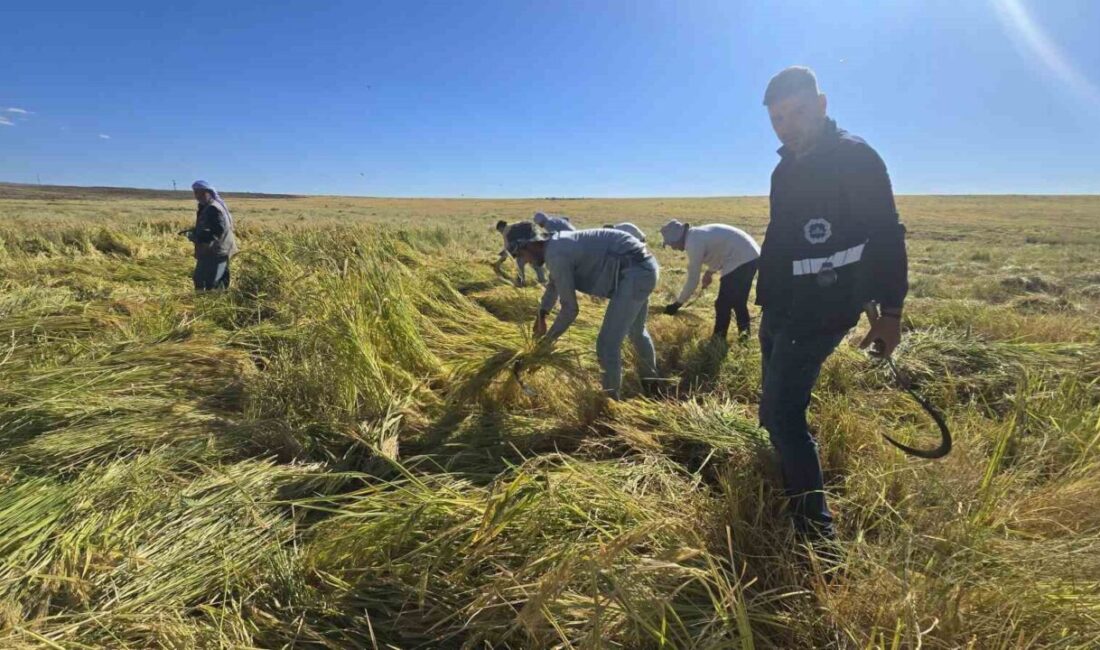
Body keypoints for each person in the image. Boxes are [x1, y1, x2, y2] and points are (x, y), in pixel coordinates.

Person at [756, 66, 908, 541]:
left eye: (797, 111)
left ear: (822, 105)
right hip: (780, 305)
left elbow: (885, 235)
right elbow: (783, 239)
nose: (787, 124)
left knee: (783, 413)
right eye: (778, 117)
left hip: (823, 310)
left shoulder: (855, 159)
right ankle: (787, 469)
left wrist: (892, 313)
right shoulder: (784, 169)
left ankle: (816, 541)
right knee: (773, 407)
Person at [507, 226, 659, 399]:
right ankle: (652, 383)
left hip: (635, 274)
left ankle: (610, 403)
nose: (525, 261)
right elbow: (555, 282)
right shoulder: (556, 244)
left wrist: (546, 344)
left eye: (521, 255)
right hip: (645, 267)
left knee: (607, 344)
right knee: (637, 332)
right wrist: (542, 314)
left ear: (530, 245)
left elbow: (570, 309)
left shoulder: (556, 255)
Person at [659, 220, 760, 340]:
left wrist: (677, 304)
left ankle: (718, 339)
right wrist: (710, 272)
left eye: (671, 244)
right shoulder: (697, 234)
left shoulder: (693, 244)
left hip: (741, 259)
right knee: (738, 302)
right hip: (752, 255)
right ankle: (744, 337)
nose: (673, 248)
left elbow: (693, 280)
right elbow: (720, 250)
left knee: (722, 304)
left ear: (677, 238)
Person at [187, 180, 239, 290]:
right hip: (219, 249)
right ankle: (219, 302)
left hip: (216, 251)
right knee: (219, 280)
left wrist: (199, 238)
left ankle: (207, 302)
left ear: (209, 193)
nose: (198, 196)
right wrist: (195, 231)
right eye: (196, 193)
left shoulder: (213, 208)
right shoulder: (207, 206)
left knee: (205, 281)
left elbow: (218, 230)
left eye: (201, 193)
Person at [493, 220, 546, 286]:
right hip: (537, 244)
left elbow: (507, 250)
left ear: (501, 228)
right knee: (536, 264)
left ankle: (521, 282)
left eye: (500, 231)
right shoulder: (517, 224)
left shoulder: (506, 232)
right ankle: (542, 281)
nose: (500, 233)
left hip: (528, 248)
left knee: (520, 263)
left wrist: (498, 263)